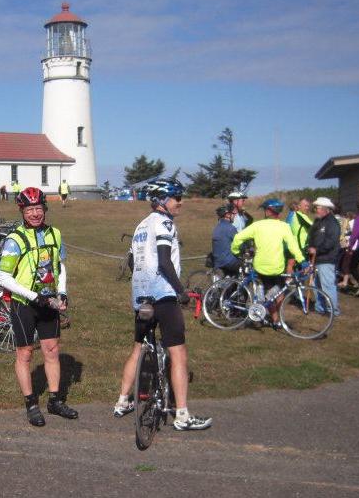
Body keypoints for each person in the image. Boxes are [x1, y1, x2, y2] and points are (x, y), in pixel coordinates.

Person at [113, 179, 212, 431]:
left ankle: (122, 401)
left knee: (138, 349)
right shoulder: (165, 223)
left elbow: (133, 262)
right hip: (163, 296)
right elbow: (165, 261)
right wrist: (181, 291)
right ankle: (182, 415)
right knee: (178, 353)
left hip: (141, 297)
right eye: (176, 197)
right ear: (162, 200)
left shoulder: (141, 225)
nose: (181, 202)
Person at [0, 187, 77, 426]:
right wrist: (33, 297)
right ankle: (31, 404)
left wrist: (62, 292)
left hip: (49, 301)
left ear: (45, 209)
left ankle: (54, 401)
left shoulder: (55, 234)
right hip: (24, 304)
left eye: (38, 208)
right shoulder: (15, 240)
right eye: (30, 209)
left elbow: (59, 266)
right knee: (25, 353)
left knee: (51, 350)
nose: (35, 214)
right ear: (22, 211)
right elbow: (3, 278)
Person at [230, 198, 308, 326]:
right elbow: (293, 246)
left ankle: (269, 316)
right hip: (277, 266)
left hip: (260, 266)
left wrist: (236, 251)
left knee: (266, 292)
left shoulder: (257, 225)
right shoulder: (284, 227)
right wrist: (302, 260)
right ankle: (277, 319)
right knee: (278, 293)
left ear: (267, 211)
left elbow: (238, 237)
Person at [307, 197, 340, 316]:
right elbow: (312, 237)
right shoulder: (318, 221)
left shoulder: (332, 223)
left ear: (325, 209)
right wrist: (310, 247)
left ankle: (332, 310)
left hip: (326, 259)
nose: (316, 210)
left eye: (318, 208)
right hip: (316, 259)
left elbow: (331, 241)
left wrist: (317, 250)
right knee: (315, 285)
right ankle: (320, 307)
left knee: (327, 285)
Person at [211, 204, 241, 277]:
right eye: (233, 214)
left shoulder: (216, 228)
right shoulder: (230, 228)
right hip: (229, 262)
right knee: (245, 266)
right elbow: (240, 242)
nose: (234, 216)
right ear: (228, 215)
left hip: (217, 261)